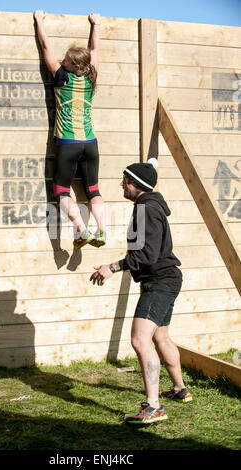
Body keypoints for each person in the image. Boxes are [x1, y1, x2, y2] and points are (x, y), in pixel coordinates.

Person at [90, 158, 192, 425]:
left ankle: (153, 407)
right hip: (164, 279)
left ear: (136, 184)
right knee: (161, 338)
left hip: (160, 282)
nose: (121, 184)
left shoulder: (147, 209)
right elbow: (147, 253)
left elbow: (146, 256)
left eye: (125, 180)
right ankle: (181, 389)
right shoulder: (149, 206)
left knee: (139, 340)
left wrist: (113, 266)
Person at [34, 10, 106, 249]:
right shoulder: (90, 77)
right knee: (93, 190)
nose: (61, 60)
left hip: (67, 143)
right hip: (90, 143)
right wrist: (95, 24)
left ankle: (82, 230)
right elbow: (94, 51)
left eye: (65, 59)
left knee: (62, 190)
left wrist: (39, 20)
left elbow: (45, 47)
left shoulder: (61, 76)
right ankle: (102, 231)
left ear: (71, 65)